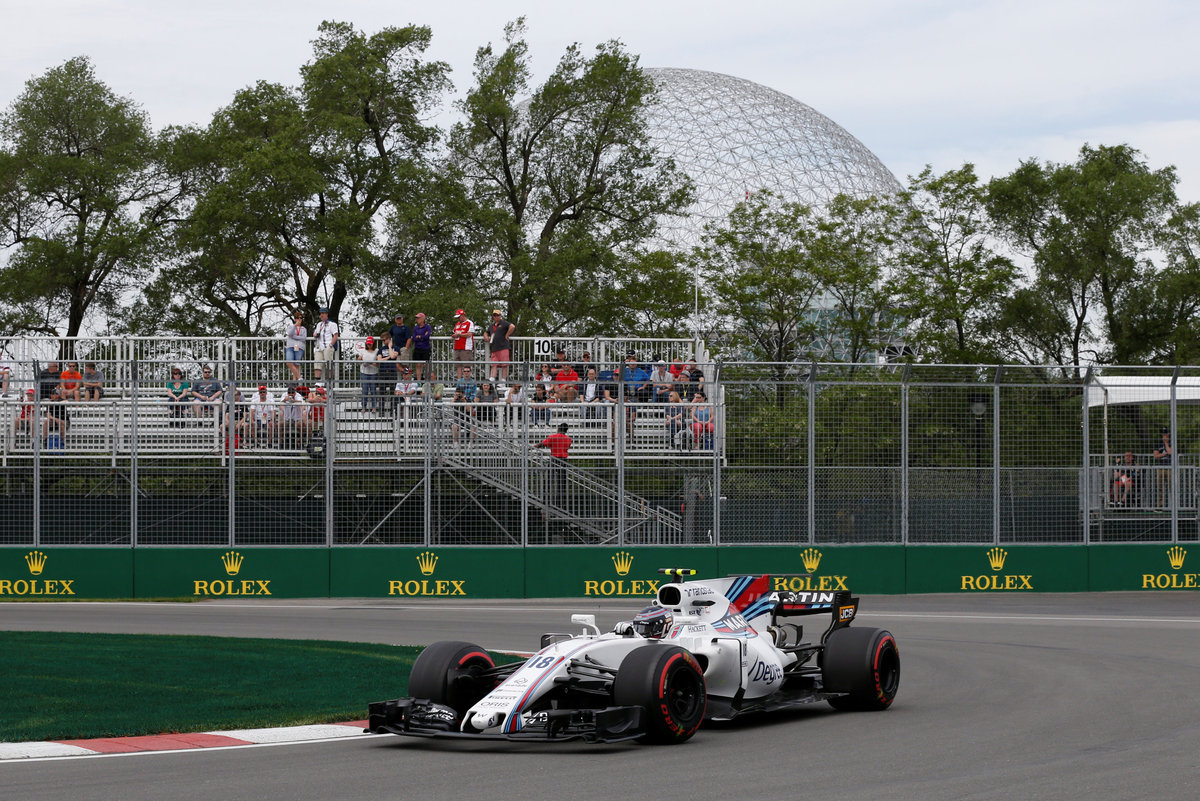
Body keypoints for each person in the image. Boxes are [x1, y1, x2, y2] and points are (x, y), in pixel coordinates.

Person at [536, 423, 573, 509]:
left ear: (559, 428)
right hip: (563, 460)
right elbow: (567, 447)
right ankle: (561, 503)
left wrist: (531, 447)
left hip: (554, 459)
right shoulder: (569, 439)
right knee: (562, 482)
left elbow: (542, 444)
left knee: (549, 480)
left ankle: (546, 500)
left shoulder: (553, 437)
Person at [487, 309, 515, 381]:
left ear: (500, 316)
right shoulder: (491, 325)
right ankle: (492, 378)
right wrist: (485, 336)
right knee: (494, 364)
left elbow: (512, 326)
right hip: (494, 348)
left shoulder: (504, 323)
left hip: (503, 347)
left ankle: (503, 380)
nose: (496, 317)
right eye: (494, 315)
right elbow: (486, 332)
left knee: (504, 365)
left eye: (497, 315)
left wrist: (507, 334)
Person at [313, 307, 339, 379]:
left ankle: (329, 379)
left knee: (328, 362)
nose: (321, 315)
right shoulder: (319, 324)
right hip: (319, 346)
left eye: (323, 313)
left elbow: (335, 335)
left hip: (328, 345)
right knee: (317, 362)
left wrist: (331, 345)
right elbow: (315, 334)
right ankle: (317, 381)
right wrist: (315, 334)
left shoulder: (332, 324)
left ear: (327, 314)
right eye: (321, 314)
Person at [452, 308, 476, 380]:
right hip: (457, 347)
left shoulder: (469, 323)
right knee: (458, 365)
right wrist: (454, 335)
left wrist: (459, 335)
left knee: (467, 366)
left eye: (459, 317)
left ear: (463, 316)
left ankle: (467, 381)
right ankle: (459, 381)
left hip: (466, 347)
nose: (458, 319)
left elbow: (469, 334)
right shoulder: (457, 324)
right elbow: (454, 332)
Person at [377, 332, 399, 414]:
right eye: (382, 340)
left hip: (392, 372)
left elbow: (393, 357)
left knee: (393, 392)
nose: (383, 341)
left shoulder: (396, 348)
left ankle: (392, 411)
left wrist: (390, 347)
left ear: (389, 339)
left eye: (384, 340)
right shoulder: (381, 349)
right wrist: (388, 357)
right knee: (382, 392)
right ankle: (381, 412)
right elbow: (379, 360)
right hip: (383, 372)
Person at [357, 336, 380, 413]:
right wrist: (360, 359)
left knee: (373, 390)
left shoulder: (377, 351)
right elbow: (359, 360)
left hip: (373, 372)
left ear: (373, 344)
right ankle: (364, 406)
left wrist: (373, 363)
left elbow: (379, 362)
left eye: (370, 344)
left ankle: (374, 407)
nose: (369, 345)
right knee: (365, 390)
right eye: (368, 344)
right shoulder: (363, 350)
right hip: (364, 372)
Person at [408, 312, 432, 381]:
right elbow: (414, 338)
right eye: (417, 318)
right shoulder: (415, 328)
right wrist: (422, 337)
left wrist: (419, 337)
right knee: (418, 365)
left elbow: (427, 336)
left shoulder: (427, 327)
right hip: (417, 348)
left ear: (423, 319)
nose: (417, 319)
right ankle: (419, 381)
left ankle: (427, 380)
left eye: (418, 318)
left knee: (426, 364)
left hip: (426, 348)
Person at [285, 311, 307, 381]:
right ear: (295, 319)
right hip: (290, 346)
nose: (299, 319)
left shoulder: (303, 329)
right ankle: (299, 377)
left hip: (298, 346)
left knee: (297, 364)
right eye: (298, 318)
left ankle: (294, 381)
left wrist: (294, 337)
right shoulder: (291, 326)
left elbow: (304, 338)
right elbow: (289, 333)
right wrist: (295, 326)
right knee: (289, 362)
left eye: (301, 318)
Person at [1153, 426, 1172, 507]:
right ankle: (1160, 505)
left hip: (1170, 468)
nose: (1165, 435)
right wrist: (1164, 454)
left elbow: (1171, 452)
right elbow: (1155, 455)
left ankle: (1173, 505)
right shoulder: (1158, 443)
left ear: (1168, 434)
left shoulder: (1172, 442)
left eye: (1166, 433)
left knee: (1171, 486)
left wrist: (1166, 443)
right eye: (1163, 434)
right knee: (1160, 487)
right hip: (1160, 468)